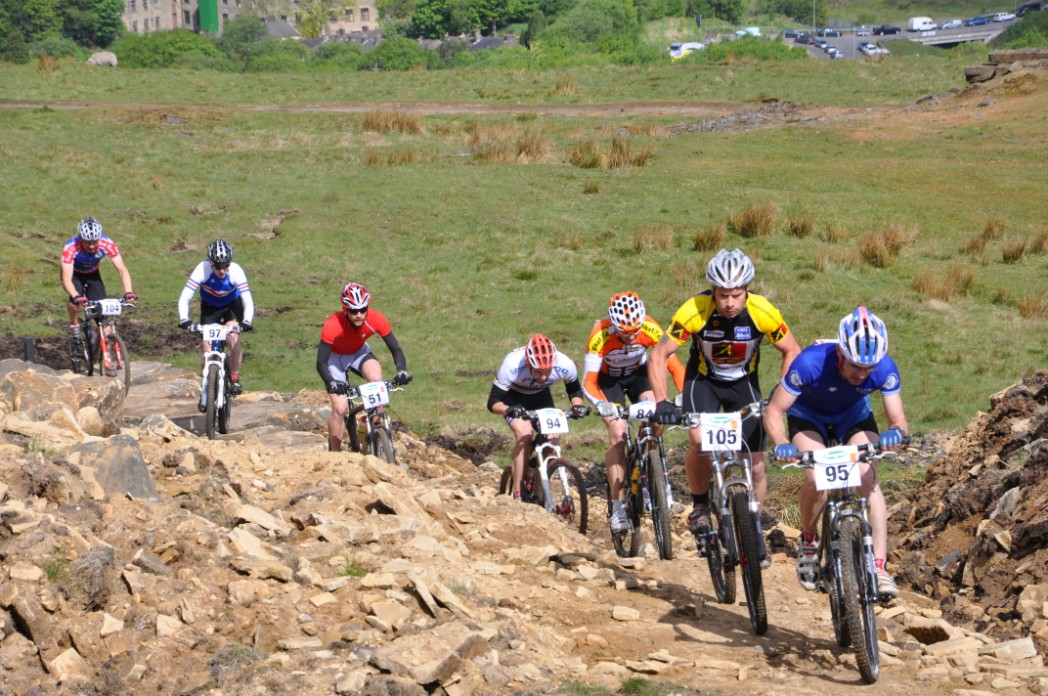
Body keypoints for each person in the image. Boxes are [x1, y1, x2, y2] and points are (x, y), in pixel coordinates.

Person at [648, 248, 801, 562]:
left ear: (747, 290)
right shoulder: (694, 310)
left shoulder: (763, 311)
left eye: (736, 295)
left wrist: (780, 391)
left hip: (743, 385)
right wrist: (661, 400)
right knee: (698, 441)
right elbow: (660, 354)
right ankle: (700, 505)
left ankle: (752, 529)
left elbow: (792, 350)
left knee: (756, 465)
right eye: (722, 296)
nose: (729, 303)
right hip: (703, 382)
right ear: (713, 291)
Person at [764, 306, 908, 598]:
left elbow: (898, 420)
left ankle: (879, 567)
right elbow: (775, 410)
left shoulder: (885, 367)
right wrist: (781, 442)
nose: (861, 374)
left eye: (868, 368)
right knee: (817, 480)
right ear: (840, 353)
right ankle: (808, 540)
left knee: (868, 480)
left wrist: (895, 433)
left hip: (852, 417)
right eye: (855, 366)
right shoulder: (810, 363)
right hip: (808, 416)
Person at [582, 291, 686, 534]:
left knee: (656, 417)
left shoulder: (650, 327)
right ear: (614, 325)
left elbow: (675, 366)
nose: (631, 336)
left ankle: (653, 475)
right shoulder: (600, 334)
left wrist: (685, 394)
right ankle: (617, 506)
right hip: (608, 381)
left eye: (634, 331)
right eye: (625, 332)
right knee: (618, 431)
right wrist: (601, 405)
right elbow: (588, 382)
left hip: (639, 375)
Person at [487, 334, 590, 498]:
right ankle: (518, 494)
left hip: (541, 398)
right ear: (529, 364)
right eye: (538, 372)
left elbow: (574, 390)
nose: (543, 377)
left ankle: (539, 489)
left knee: (552, 438)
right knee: (525, 434)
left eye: (547, 371)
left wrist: (577, 406)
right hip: (513, 399)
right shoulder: (512, 364)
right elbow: (493, 402)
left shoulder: (565, 364)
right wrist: (508, 409)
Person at [316, 282, 412, 453]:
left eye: (363, 309)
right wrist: (331, 382)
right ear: (345, 310)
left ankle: (376, 433)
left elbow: (396, 349)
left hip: (358, 353)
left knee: (377, 380)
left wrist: (402, 371)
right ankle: (335, 455)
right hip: (334, 359)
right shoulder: (332, 324)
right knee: (340, 409)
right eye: (354, 311)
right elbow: (321, 362)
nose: (359, 315)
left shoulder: (377, 318)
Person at [177, 239, 254, 397]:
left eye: (226, 266)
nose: (222, 271)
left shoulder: (236, 271)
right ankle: (207, 384)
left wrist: (246, 321)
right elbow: (185, 297)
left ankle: (235, 376)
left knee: (233, 337)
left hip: (232, 307)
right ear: (211, 264)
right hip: (210, 308)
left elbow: (247, 300)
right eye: (218, 267)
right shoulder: (202, 269)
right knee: (207, 345)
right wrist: (184, 319)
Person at [61, 217, 136, 362]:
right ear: (81, 238)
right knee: (75, 301)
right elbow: (66, 279)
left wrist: (128, 291)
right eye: (88, 242)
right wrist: (76, 295)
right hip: (74, 275)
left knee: (103, 314)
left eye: (95, 242)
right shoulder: (70, 247)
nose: (92, 246)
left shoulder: (107, 243)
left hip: (93, 275)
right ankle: (74, 325)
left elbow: (122, 269)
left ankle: (102, 345)